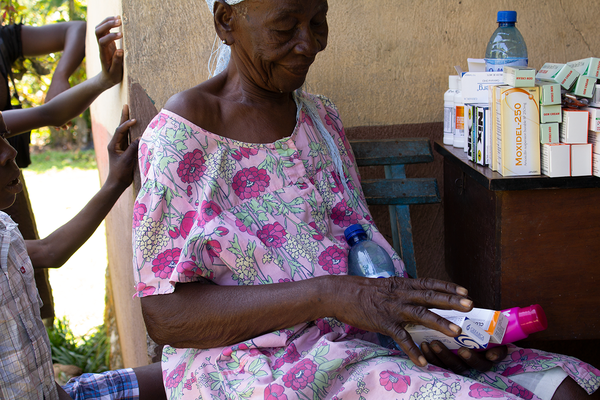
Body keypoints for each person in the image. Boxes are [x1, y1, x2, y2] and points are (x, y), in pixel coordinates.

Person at [132, 0, 600, 399]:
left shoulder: (320, 119)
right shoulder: (183, 137)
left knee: (562, 387)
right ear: (225, 22)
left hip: (371, 339)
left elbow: (357, 257)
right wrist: (328, 295)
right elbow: (166, 316)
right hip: (262, 364)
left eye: (318, 22)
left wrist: (417, 328)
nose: (309, 43)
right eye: (284, 27)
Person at [0, 106, 166, 400]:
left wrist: (115, 183)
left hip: (58, 395)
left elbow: (49, 251)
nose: (8, 153)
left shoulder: (3, 230)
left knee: (189, 373)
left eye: (2, 136)